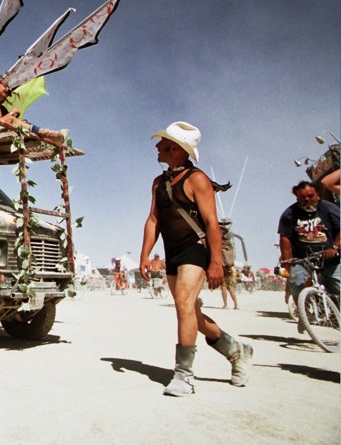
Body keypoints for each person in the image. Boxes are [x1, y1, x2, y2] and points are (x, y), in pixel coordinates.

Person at [139, 121, 251, 396]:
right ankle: (236, 351)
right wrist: (144, 255)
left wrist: (215, 262)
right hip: (172, 252)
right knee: (189, 311)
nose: (156, 146)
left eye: (162, 143)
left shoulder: (197, 179)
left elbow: (212, 223)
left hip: (195, 249)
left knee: (185, 304)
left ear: (175, 149)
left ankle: (184, 375)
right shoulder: (159, 182)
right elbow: (153, 220)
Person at [277, 180, 340, 322]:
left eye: (310, 196)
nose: (307, 200)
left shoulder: (329, 209)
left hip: (330, 258)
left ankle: (336, 315)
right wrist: (287, 261)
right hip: (302, 258)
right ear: (296, 197)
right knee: (296, 282)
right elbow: (285, 237)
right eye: (302, 197)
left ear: (318, 195)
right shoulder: (289, 214)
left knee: (338, 286)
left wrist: (334, 248)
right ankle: (304, 314)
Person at [0, 74, 69, 143]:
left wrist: (14, 116)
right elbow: (0, 122)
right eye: (6, 88)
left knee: (19, 122)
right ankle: (47, 134)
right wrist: (12, 113)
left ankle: (47, 136)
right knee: (11, 119)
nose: (7, 93)